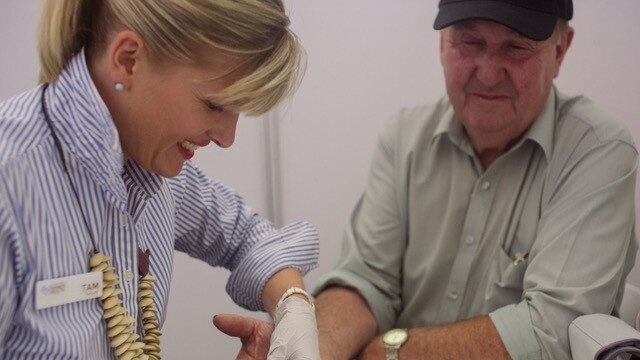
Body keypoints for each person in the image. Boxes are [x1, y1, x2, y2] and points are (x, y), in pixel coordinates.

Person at [218, 0, 638, 359]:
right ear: (442, 43)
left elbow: (552, 331)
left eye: (516, 48)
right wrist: (312, 351)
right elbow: (367, 281)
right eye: (469, 42)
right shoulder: (404, 137)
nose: (488, 73)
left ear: (560, 51)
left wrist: (388, 352)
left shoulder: (598, 151)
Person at [0, 1, 321, 359]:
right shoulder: (10, 182)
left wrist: (293, 306)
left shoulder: (151, 172)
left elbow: (249, 236)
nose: (227, 138)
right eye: (215, 105)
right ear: (127, 60)